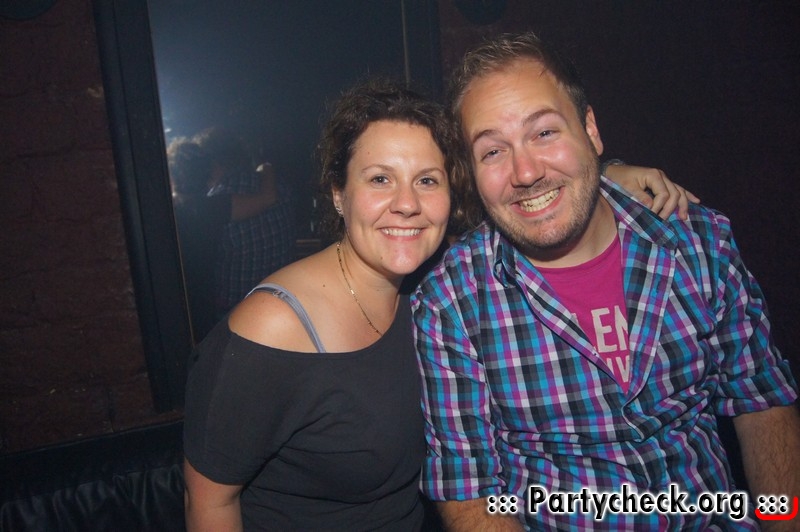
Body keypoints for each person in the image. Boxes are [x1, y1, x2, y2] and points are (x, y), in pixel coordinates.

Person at [181, 77, 697, 530]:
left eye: (427, 180)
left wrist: (605, 177)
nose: (407, 203)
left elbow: (526, 199)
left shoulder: (440, 281)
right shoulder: (272, 326)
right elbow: (208, 502)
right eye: (380, 179)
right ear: (338, 193)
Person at [412, 32, 800, 531]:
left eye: (544, 132)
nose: (525, 172)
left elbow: (764, 407)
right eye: (492, 152)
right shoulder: (452, 299)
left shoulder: (699, 243)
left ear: (591, 130)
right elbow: (470, 492)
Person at [167, 137, 279, 343]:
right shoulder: (212, 207)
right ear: (208, 171)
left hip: (174, 298)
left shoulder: (168, 209)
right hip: (204, 298)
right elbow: (267, 198)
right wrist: (267, 167)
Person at [193, 126, 296, 320]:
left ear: (212, 162)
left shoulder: (218, 200)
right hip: (285, 307)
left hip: (234, 315)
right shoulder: (279, 187)